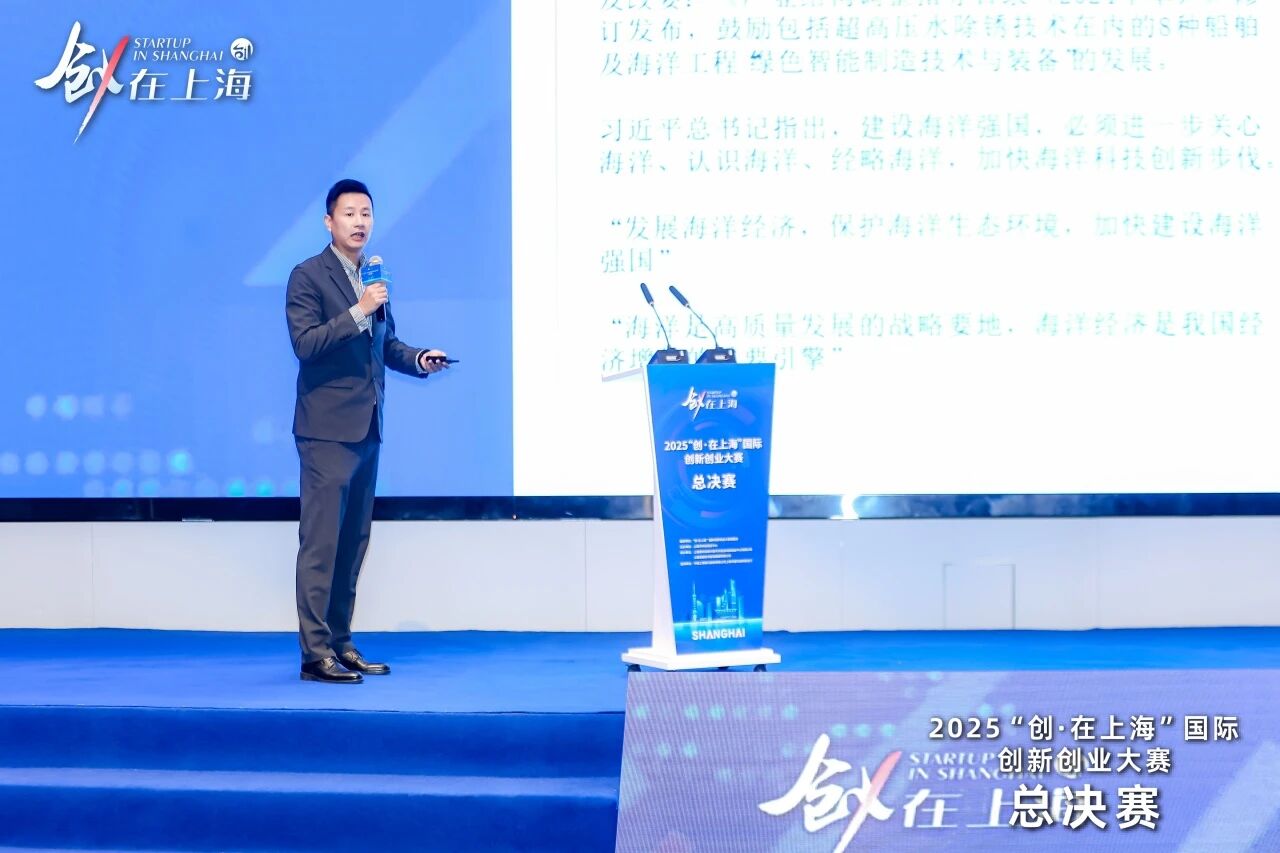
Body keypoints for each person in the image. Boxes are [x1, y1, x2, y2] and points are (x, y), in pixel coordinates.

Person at [285, 178, 449, 683]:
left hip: (368, 426)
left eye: (366, 214)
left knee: (352, 542)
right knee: (321, 545)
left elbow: (385, 344)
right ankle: (315, 655)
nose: (360, 222)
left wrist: (418, 359)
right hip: (326, 432)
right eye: (350, 213)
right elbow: (306, 344)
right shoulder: (308, 276)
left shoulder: (371, 278)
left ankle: (340, 642)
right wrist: (360, 310)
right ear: (328, 221)